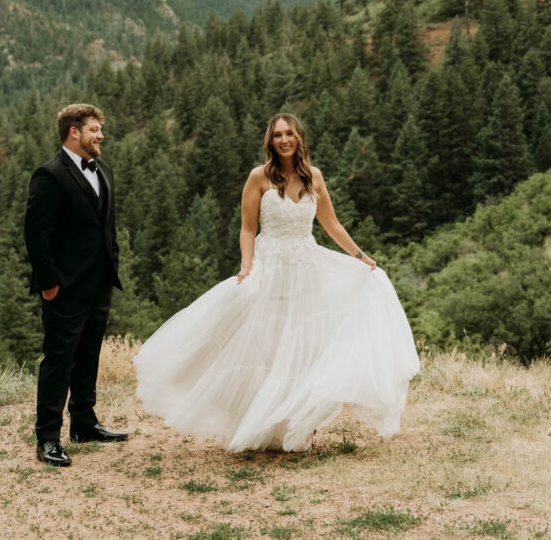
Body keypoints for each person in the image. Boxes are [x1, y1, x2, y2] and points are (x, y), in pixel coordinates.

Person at [135, 113, 420, 452]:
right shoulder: (259, 177)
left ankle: (300, 426)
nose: (284, 140)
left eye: (289, 134)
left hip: (306, 270)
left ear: (299, 137)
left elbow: (332, 225)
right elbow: (247, 228)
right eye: (277, 135)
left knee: (304, 350)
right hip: (270, 268)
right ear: (270, 141)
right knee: (268, 350)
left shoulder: (314, 177)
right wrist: (247, 266)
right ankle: (265, 424)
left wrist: (362, 258)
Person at [24, 103, 127, 467]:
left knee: (88, 354)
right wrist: (49, 285)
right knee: (58, 359)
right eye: (94, 129)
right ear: (74, 132)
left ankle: (84, 422)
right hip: (64, 288)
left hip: (99, 283)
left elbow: (106, 228)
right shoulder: (49, 175)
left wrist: (111, 266)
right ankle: (48, 437)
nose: (101, 136)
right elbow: (36, 236)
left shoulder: (104, 171)